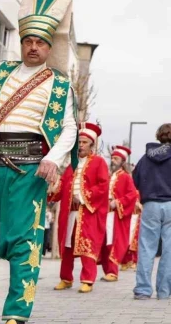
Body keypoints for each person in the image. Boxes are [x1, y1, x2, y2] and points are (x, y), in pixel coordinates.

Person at [0, 0, 77, 324]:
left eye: (40, 42)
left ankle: (15, 314)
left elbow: (69, 129)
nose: (34, 47)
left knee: (25, 245)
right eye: (28, 41)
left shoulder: (60, 86)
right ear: (21, 43)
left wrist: (53, 158)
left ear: (49, 46)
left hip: (29, 171)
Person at [132, 123, 171, 300]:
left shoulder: (145, 158)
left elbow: (135, 180)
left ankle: (143, 289)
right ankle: (164, 291)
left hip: (151, 204)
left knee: (146, 247)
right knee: (170, 250)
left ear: (158, 136)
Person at [50, 123, 109, 294]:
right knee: (67, 245)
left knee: (86, 245)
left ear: (91, 145)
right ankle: (66, 278)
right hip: (69, 212)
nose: (81, 145)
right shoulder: (71, 166)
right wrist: (53, 189)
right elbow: (62, 188)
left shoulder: (99, 163)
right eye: (79, 142)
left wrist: (84, 197)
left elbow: (103, 186)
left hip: (88, 211)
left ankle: (88, 279)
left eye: (84, 142)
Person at [99, 146, 138, 282]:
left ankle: (113, 271)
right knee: (104, 242)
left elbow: (133, 194)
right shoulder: (109, 176)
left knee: (113, 241)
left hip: (115, 214)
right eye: (112, 158)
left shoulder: (126, 177)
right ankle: (107, 270)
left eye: (116, 158)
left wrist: (118, 202)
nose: (113, 161)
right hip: (105, 213)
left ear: (122, 161)